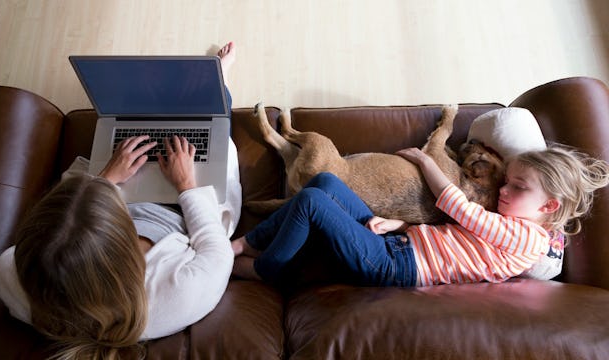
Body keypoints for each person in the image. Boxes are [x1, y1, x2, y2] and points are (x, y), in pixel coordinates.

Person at [0, 42, 240, 360]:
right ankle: (218, 81)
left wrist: (106, 178)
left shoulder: (14, 280)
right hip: (181, 211)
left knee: (129, 126)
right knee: (211, 125)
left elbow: (24, 253)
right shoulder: (174, 297)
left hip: (124, 194)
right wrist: (187, 185)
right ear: (121, 249)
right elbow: (216, 249)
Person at [232, 144, 609, 287]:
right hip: (397, 242)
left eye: (518, 187)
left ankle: (265, 267)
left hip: (394, 265)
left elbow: (459, 209)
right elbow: (453, 236)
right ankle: (245, 244)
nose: (503, 191)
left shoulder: (530, 238)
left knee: (311, 204)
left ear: (549, 207)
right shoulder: (510, 225)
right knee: (326, 183)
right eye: (506, 182)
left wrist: (427, 161)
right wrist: (404, 224)